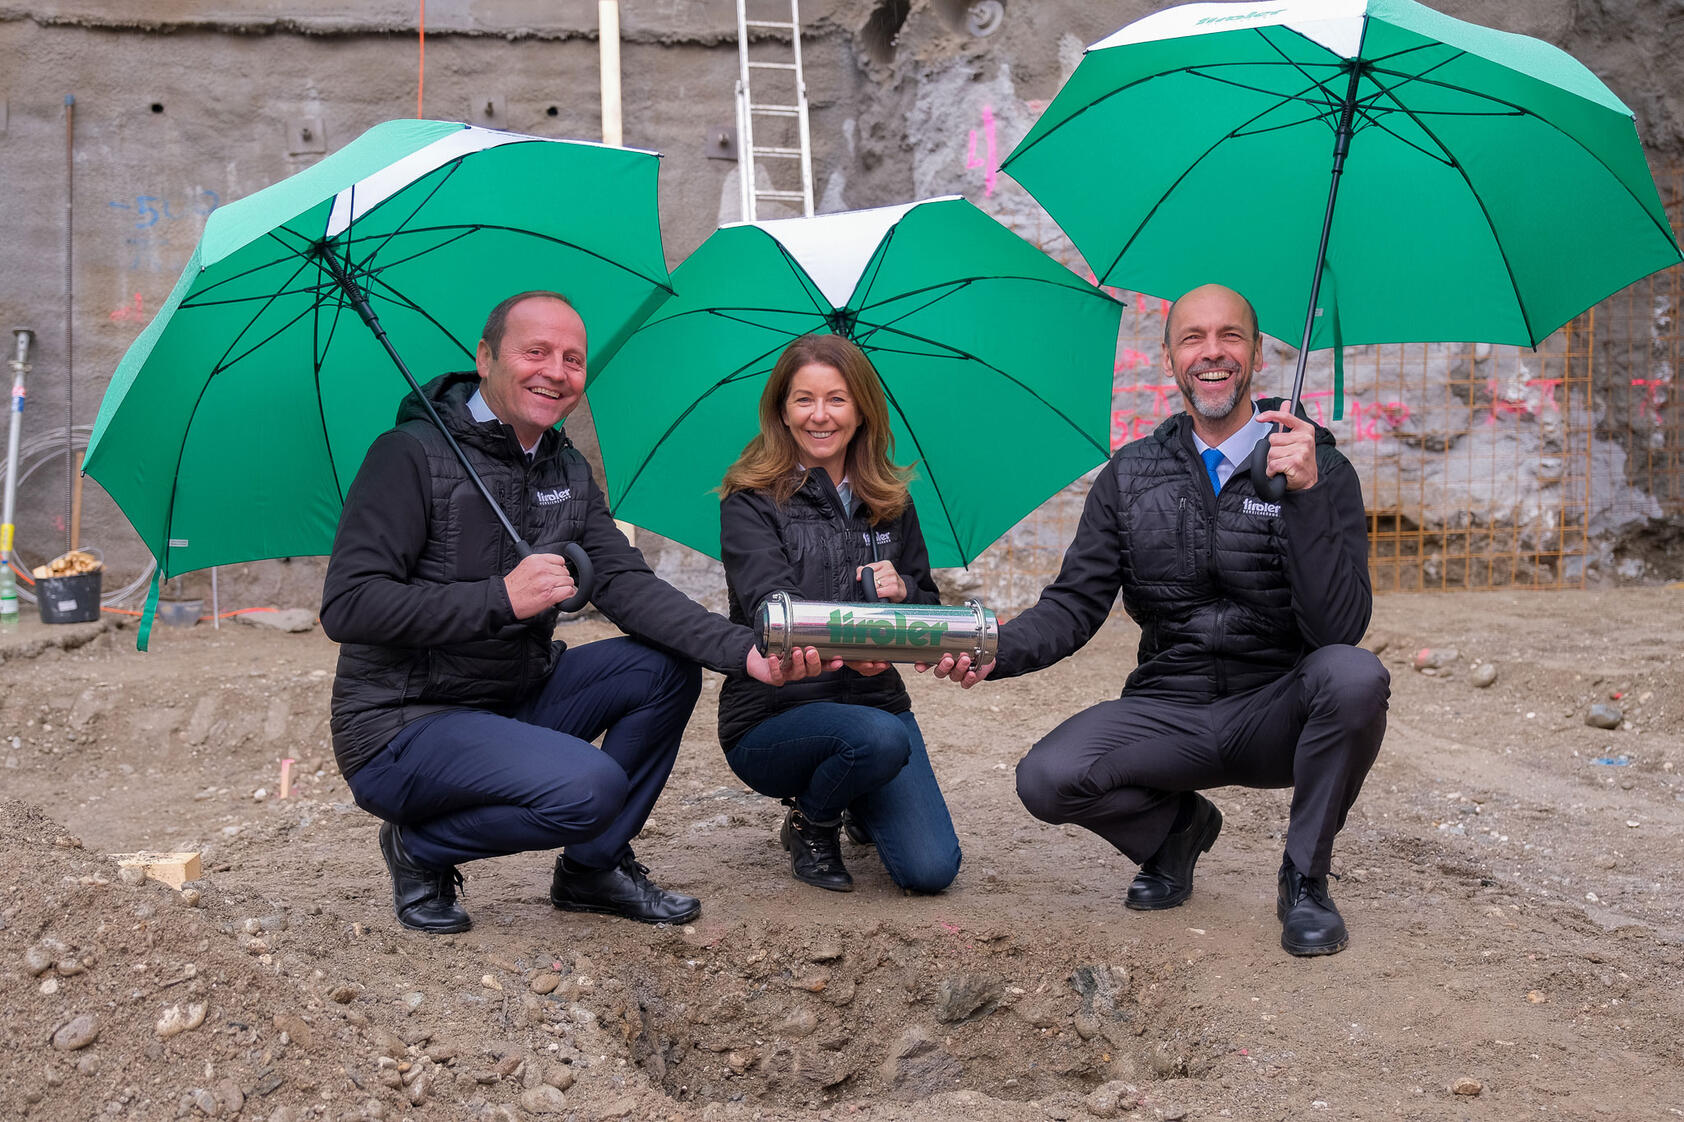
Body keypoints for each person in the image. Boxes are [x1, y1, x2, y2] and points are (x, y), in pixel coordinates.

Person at [321, 291, 811, 934]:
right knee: (591, 787)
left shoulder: (565, 468)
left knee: (663, 669)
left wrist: (746, 652)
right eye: (536, 352)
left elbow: (627, 584)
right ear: (486, 358)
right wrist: (500, 598)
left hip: (511, 701)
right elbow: (348, 604)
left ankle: (592, 869)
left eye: (573, 359)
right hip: (404, 724)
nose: (556, 372)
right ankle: (419, 848)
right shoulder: (408, 454)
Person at [929, 283, 1388, 956]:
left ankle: (1305, 881)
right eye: (1192, 338)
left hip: (1275, 714)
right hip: (1170, 712)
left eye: (1230, 336)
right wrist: (991, 647)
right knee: (1048, 777)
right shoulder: (1130, 475)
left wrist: (1308, 495)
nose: (1212, 352)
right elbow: (1073, 604)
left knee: (1353, 676)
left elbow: (1338, 629)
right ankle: (1175, 832)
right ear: (1169, 358)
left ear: (1257, 355)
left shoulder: (1322, 470)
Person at [715, 334, 962, 894]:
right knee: (879, 740)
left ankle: (855, 792)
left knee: (931, 870)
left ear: (862, 410)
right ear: (782, 410)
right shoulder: (750, 499)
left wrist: (904, 596)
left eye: (837, 399)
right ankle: (812, 821)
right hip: (774, 713)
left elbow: (929, 610)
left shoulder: (891, 500)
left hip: (876, 705)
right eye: (804, 399)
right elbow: (773, 612)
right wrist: (855, 652)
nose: (819, 415)